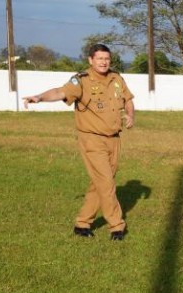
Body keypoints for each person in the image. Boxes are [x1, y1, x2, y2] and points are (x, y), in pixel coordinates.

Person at [23, 43, 135, 241]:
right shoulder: (81, 80)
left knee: (99, 183)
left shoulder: (116, 78)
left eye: (106, 59)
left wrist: (130, 115)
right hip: (92, 139)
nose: (103, 62)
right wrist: (39, 97)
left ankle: (82, 223)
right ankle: (117, 226)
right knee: (107, 183)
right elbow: (60, 92)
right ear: (90, 60)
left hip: (114, 139)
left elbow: (128, 99)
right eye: (99, 59)